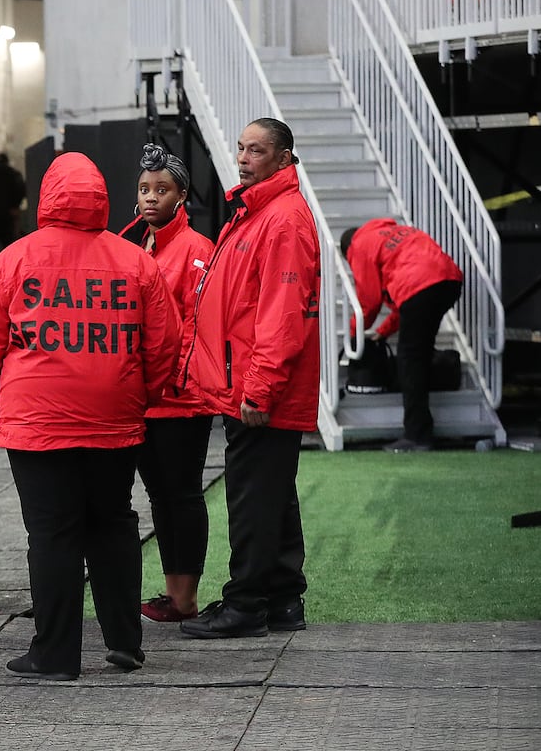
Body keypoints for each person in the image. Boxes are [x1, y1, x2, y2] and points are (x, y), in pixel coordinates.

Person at [0, 152, 181, 680]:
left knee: (53, 534)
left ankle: (55, 653)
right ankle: (125, 641)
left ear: (47, 196)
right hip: (113, 418)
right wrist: (137, 397)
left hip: (36, 423)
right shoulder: (135, 262)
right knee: (113, 526)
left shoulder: (14, 260)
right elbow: (165, 345)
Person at [177, 118, 320, 640]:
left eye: (255, 151)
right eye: (240, 148)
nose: (242, 158)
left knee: (253, 498)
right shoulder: (258, 212)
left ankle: (246, 605)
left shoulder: (280, 220)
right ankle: (282, 600)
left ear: (283, 159)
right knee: (272, 494)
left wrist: (259, 389)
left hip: (259, 391)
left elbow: (282, 317)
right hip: (251, 385)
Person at [118, 143, 217, 624]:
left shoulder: (197, 252)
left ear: (181, 195)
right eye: (144, 189)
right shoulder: (135, 245)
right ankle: (176, 596)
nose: (151, 197)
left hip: (180, 396)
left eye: (162, 189)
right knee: (161, 496)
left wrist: (165, 378)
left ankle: (186, 597)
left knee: (181, 494)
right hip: (143, 396)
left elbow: (194, 328)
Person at [341, 220, 463, 453]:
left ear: (347, 253)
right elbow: (405, 305)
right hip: (449, 280)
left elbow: (369, 302)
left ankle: (417, 435)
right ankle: (421, 427)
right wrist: (382, 332)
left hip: (420, 287)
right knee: (419, 353)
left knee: (409, 361)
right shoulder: (390, 234)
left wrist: (354, 332)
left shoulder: (358, 246)